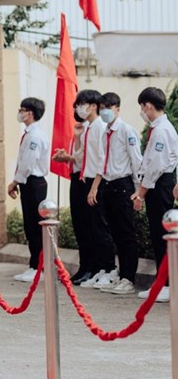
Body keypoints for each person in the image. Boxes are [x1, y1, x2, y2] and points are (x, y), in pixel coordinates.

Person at [92, 92, 143, 295]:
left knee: (126, 234)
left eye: (108, 108)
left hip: (123, 185)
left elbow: (136, 160)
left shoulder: (126, 131)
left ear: (117, 109)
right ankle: (121, 275)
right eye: (102, 108)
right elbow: (103, 160)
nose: (104, 111)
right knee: (116, 234)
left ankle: (129, 278)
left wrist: (138, 190)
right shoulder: (105, 132)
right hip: (109, 185)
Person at [131, 87, 178, 303]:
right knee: (159, 236)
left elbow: (155, 166)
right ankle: (163, 283)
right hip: (157, 184)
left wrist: (141, 193)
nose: (142, 111)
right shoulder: (159, 129)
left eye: (142, 107)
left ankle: (167, 285)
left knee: (162, 237)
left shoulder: (161, 131)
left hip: (160, 185)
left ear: (148, 106)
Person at [73, 90, 117, 289]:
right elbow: (81, 156)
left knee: (100, 228)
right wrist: (77, 138)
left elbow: (102, 159)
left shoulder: (100, 127)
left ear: (93, 106)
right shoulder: (89, 127)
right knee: (91, 229)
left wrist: (94, 187)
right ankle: (99, 269)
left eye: (81, 104)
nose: (78, 108)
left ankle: (109, 268)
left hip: (96, 181)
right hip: (87, 180)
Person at [7, 97, 49, 282]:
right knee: (30, 226)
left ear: (30, 113)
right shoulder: (29, 134)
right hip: (28, 182)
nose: (19, 113)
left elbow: (28, 163)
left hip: (34, 182)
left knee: (36, 226)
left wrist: (15, 181)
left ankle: (40, 267)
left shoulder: (35, 136)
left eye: (21, 110)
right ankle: (34, 265)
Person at [52, 109, 92, 284]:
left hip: (87, 179)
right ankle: (84, 267)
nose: (78, 109)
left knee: (89, 226)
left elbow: (84, 158)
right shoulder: (80, 129)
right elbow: (76, 157)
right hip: (76, 178)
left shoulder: (93, 129)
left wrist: (68, 157)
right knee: (79, 225)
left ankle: (92, 267)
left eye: (83, 105)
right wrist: (67, 154)